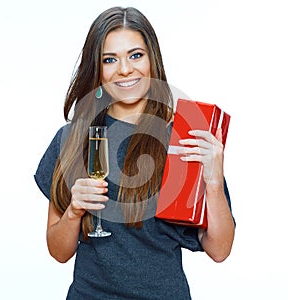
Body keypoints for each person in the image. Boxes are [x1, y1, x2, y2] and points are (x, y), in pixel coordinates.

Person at [34, 6, 235, 300]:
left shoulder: (182, 138)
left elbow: (219, 250)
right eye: (110, 59)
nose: (125, 69)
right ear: (97, 70)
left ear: (153, 60)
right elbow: (58, 252)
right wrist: (74, 211)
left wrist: (214, 183)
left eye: (136, 55)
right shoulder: (72, 139)